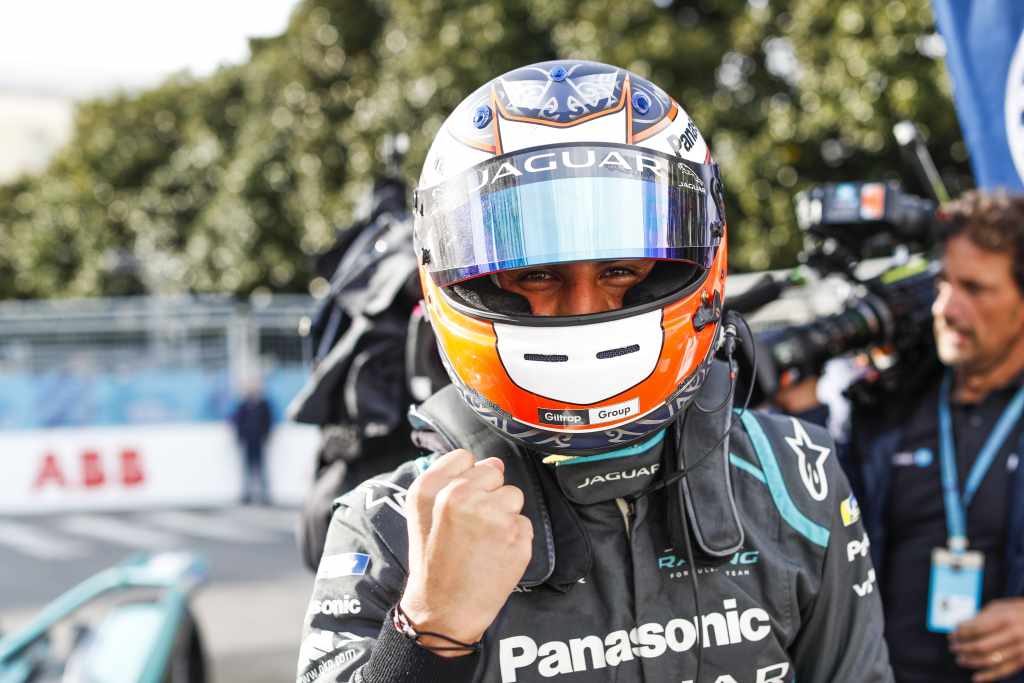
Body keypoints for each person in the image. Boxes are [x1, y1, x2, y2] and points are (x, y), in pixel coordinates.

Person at [297, 60, 892, 683]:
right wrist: (426, 631)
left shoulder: (794, 478)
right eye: (535, 274)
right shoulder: (388, 525)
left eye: (621, 270)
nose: (584, 309)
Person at [776, 190, 1024, 683]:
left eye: (975, 289)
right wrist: (806, 416)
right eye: (943, 283)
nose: (947, 308)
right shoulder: (884, 403)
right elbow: (824, 531)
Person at [231, 378, 273, 504]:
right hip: (248, 441)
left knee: (261, 469)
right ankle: (247, 495)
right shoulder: (243, 405)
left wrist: (266, 436)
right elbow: (238, 422)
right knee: (247, 469)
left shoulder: (263, 404)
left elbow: (268, 422)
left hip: (259, 441)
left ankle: (264, 495)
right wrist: (240, 437)